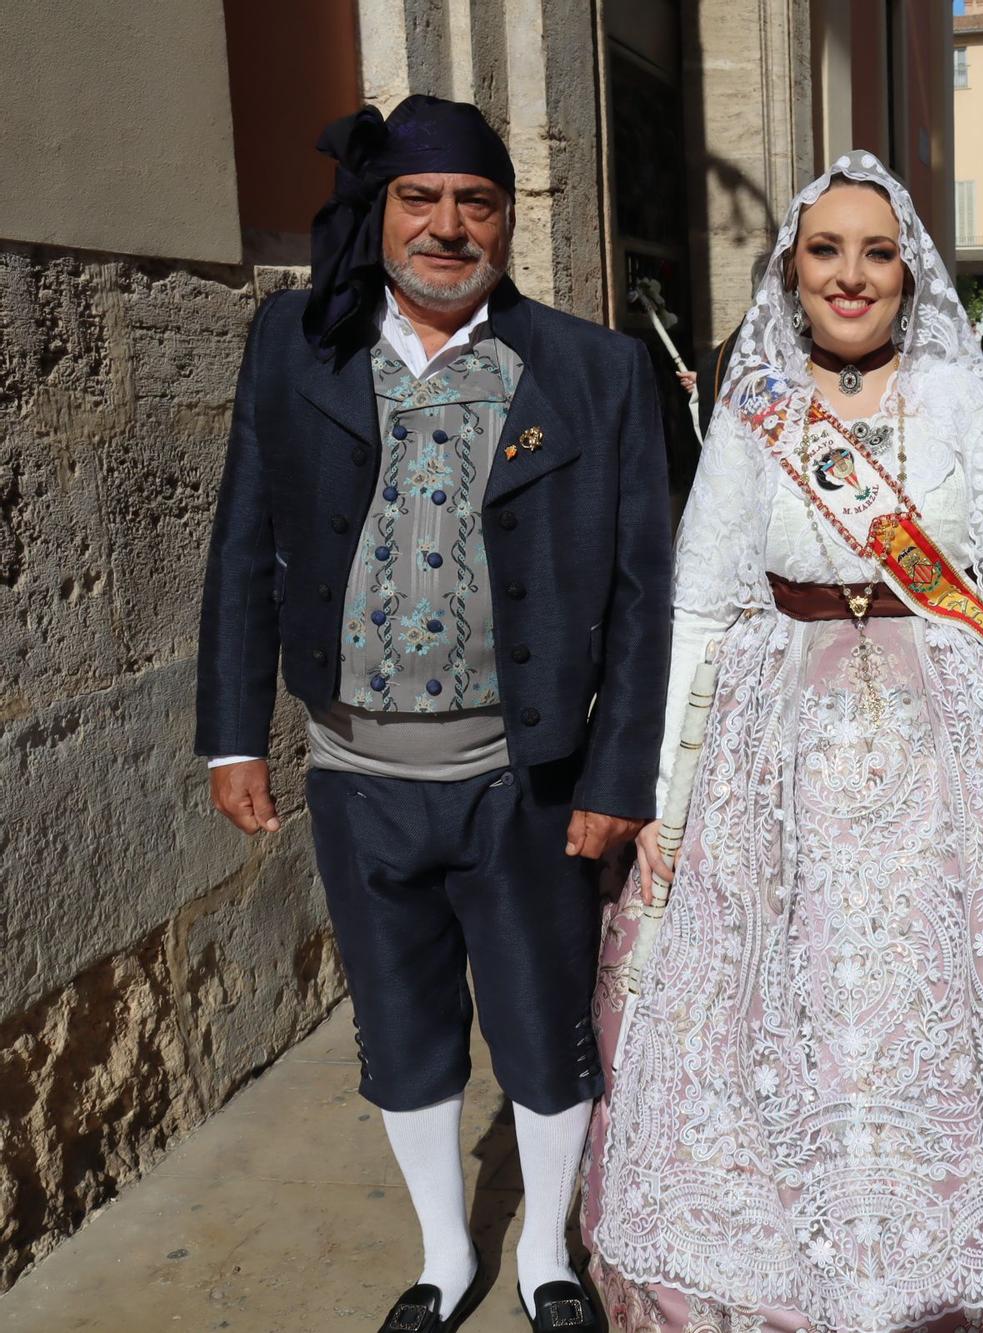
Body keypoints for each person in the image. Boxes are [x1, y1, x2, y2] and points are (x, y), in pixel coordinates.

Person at [585, 152, 983, 1331]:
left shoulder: (954, 400)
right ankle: (803, 1267)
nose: (850, 275)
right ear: (792, 267)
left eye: (874, 252)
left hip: (961, 748)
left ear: (907, 272)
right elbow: (699, 603)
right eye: (825, 251)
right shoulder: (756, 403)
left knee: (969, 1015)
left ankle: (955, 1260)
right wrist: (668, 809)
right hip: (781, 752)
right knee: (795, 1020)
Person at [196, 96, 673, 1333]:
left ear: (507, 218)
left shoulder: (593, 369)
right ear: (381, 212)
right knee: (403, 1030)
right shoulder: (295, 350)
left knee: (541, 1024)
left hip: (527, 783)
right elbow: (243, 546)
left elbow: (642, 589)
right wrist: (235, 733)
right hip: (357, 779)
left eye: (476, 201)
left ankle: (548, 1257)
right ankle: (444, 1253)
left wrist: (620, 770)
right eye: (420, 199)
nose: (448, 226)